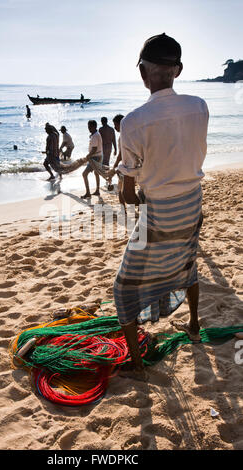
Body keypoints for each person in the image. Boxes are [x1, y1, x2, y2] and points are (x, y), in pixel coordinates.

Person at [113, 33, 209, 378]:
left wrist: (134, 191)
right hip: (191, 207)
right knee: (188, 261)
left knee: (123, 289)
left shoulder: (133, 122)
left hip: (159, 216)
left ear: (143, 73)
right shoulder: (200, 106)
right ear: (177, 70)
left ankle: (137, 364)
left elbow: (127, 194)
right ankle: (195, 326)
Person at [81, 120, 103, 198]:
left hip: (95, 157)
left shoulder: (94, 136)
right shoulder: (96, 134)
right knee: (96, 173)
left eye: (89, 126)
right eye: (88, 126)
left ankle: (88, 193)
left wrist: (88, 156)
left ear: (94, 126)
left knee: (84, 174)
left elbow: (94, 149)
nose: (88, 128)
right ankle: (97, 191)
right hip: (99, 155)